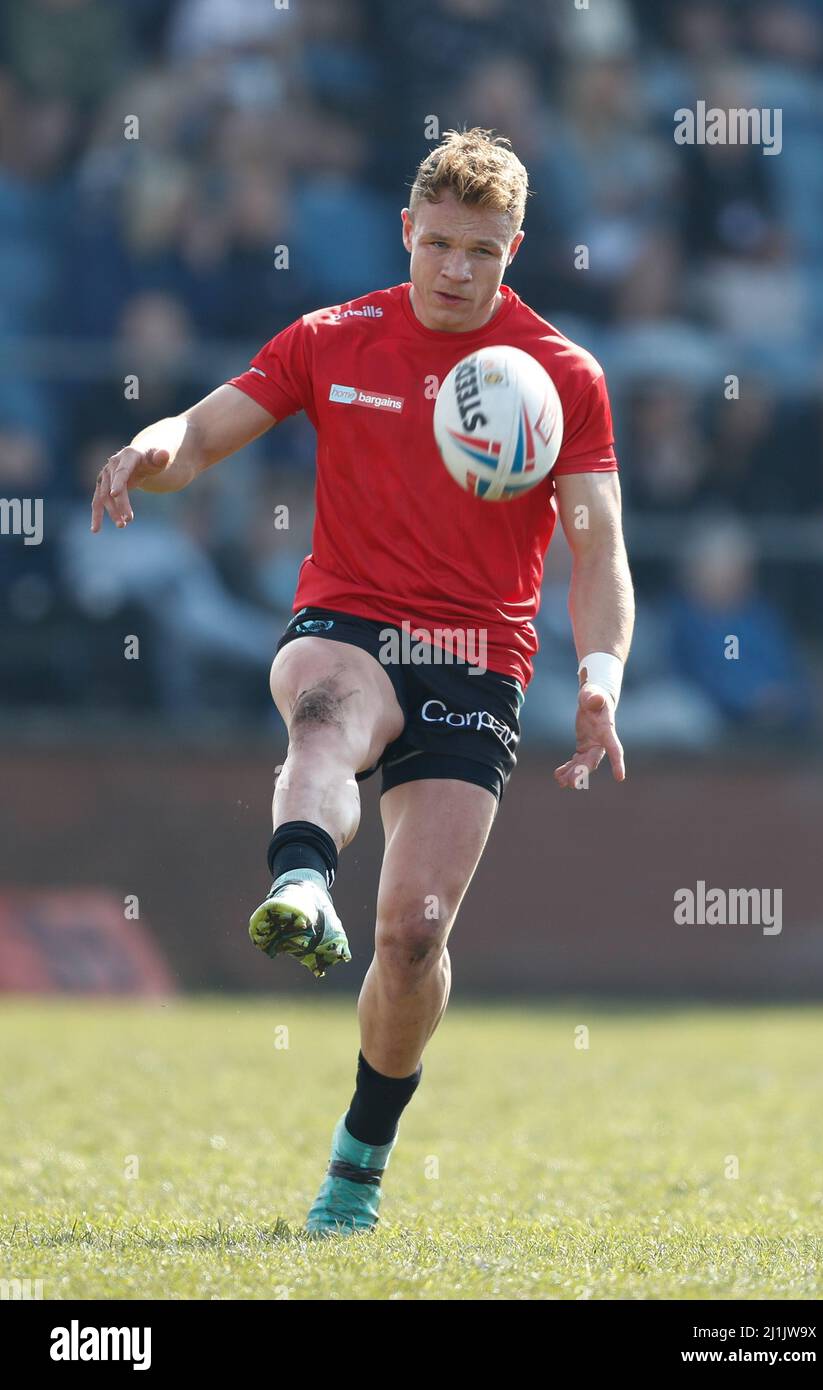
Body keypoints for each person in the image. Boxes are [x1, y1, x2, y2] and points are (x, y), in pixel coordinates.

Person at [90, 129, 635, 1238]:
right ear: (405, 232)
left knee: (411, 938)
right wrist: (152, 447)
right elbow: (204, 430)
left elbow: (598, 549)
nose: (453, 270)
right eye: (435, 243)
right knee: (325, 718)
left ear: (513, 249)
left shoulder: (559, 377)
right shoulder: (334, 336)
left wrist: (600, 675)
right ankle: (297, 881)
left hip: (476, 659)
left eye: (479, 251)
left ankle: (357, 1164)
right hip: (343, 617)